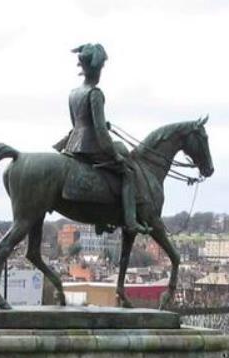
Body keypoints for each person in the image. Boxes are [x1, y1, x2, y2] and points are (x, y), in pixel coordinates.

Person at [54, 43, 148, 234]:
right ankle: (130, 221)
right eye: (101, 68)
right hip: (90, 146)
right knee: (127, 172)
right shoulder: (95, 93)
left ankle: (102, 219)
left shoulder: (74, 93)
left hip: (74, 144)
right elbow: (99, 131)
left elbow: (76, 123)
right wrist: (114, 154)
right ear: (96, 69)